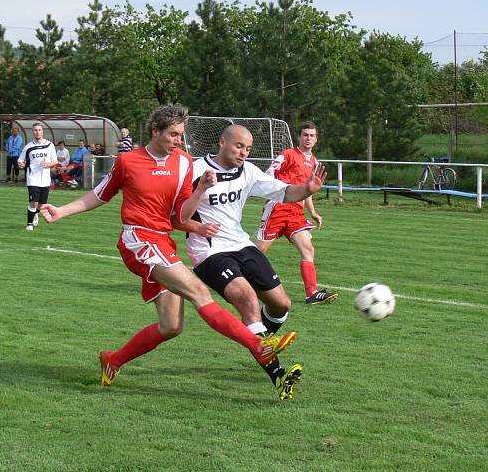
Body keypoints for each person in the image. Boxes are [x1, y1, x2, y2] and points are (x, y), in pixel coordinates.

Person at [39, 104, 295, 389]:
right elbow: (99, 195)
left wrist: (199, 202)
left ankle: (113, 360)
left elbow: (181, 215)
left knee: (171, 326)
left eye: (181, 135)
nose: (179, 140)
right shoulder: (129, 161)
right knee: (199, 291)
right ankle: (258, 345)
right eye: (173, 134)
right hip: (138, 238)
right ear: (155, 131)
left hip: (163, 241)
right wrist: (62, 211)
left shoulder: (184, 162)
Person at [179, 124, 326, 400]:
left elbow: (284, 192)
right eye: (238, 146)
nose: (243, 153)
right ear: (222, 142)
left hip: (241, 244)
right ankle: (278, 375)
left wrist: (307, 189)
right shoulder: (195, 170)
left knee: (281, 304)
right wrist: (200, 190)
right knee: (247, 298)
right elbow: (180, 215)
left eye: (247, 148)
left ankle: (258, 340)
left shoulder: (248, 171)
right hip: (209, 252)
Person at [255, 121, 338, 305]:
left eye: (312, 135)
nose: (308, 138)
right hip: (278, 207)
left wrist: (313, 211)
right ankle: (236, 279)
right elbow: (268, 175)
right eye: (305, 135)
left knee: (308, 249)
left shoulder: (314, 162)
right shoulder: (287, 155)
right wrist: (275, 192)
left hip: (295, 213)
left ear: (316, 139)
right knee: (258, 252)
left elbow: (307, 190)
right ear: (299, 137)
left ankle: (312, 294)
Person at [19, 122, 58, 231]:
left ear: (42, 131)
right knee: (33, 202)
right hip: (32, 178)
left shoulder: (49, 145)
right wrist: (21, 164)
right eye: (35, 130)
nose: (37, 132)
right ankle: (29, 224)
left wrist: (49, 164)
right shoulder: (29, 147)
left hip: (45, 179)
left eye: (39, 130)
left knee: (41, 205)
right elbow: (21, 160)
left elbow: (55, 161)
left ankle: (35, 212)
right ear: (33, 132)